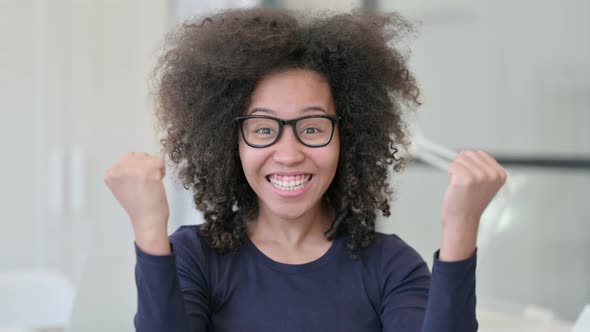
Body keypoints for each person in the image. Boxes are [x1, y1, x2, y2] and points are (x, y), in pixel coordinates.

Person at [104, 8, 507, 332]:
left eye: (312, 128)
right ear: (232, 143)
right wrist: (149, 228)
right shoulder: (197, 257)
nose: (289, 153)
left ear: (347, 138)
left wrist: (461, 227)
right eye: (263, 129)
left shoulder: (389, 266)